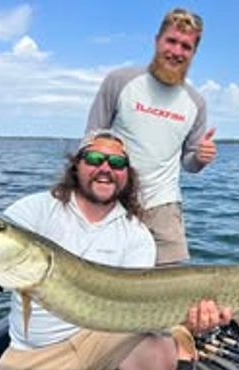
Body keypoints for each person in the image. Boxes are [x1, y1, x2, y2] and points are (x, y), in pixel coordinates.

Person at [0, 130, 231, 370]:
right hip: (37, 352)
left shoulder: (137, 234)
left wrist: (186, 320)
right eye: (94, 159)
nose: (105, 168)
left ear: (127, 174)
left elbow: (137, 311)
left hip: (102, 337)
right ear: (76, 165)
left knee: (159, 354)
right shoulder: (34, 209)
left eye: (117, 163)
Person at [83, 7, 216, 266]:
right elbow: (91, 138)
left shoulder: (196, 102)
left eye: (186, 46)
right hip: (113, 200)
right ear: (157, 41)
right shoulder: (120, 80)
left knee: (171, 287)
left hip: (164, 206)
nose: (176, 51)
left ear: (193, 53)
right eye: (171, 41)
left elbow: (189, 163)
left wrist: (200, 158)